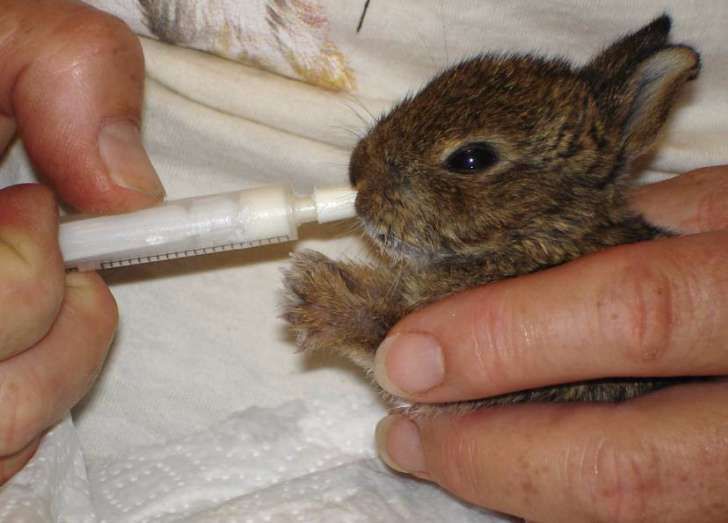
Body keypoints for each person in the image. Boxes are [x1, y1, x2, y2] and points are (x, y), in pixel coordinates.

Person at [1, 1, 726, 521]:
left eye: (469, 162)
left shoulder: (584, 271)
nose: (364, 176)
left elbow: (505, 392)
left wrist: (371, 321)